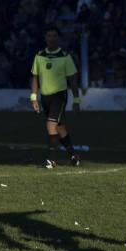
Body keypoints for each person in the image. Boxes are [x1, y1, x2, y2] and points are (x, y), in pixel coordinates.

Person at [30, 26, 81, 169]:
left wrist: (76, 101)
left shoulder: (65, 56)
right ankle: (73, 155)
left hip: (59, 96)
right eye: (49, 36)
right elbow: (35, 76)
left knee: (51, 124)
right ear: (45, 38)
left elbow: (73, 80)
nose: (51, 39)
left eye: (54, 36)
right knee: (60, 127)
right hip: (45, 97)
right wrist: (34, 97)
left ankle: (52, 160)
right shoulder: (39, 56)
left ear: (58, 38)